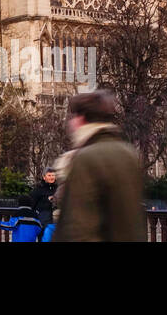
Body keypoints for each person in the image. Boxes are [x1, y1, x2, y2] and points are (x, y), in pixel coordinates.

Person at [52, 89, 146, 242]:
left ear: (80, 119)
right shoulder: (129, 153)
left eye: (72, 116)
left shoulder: (84, 158)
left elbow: (77, 227)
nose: (70, 122)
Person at [28, 167, 58, 242]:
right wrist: (47, 201)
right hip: (42, 223)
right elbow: (31, 205)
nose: (52, 177)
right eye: (49, 175)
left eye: (53, 175)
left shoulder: (58, 189)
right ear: (44, 177)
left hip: (56, 222)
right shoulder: (38, 189)